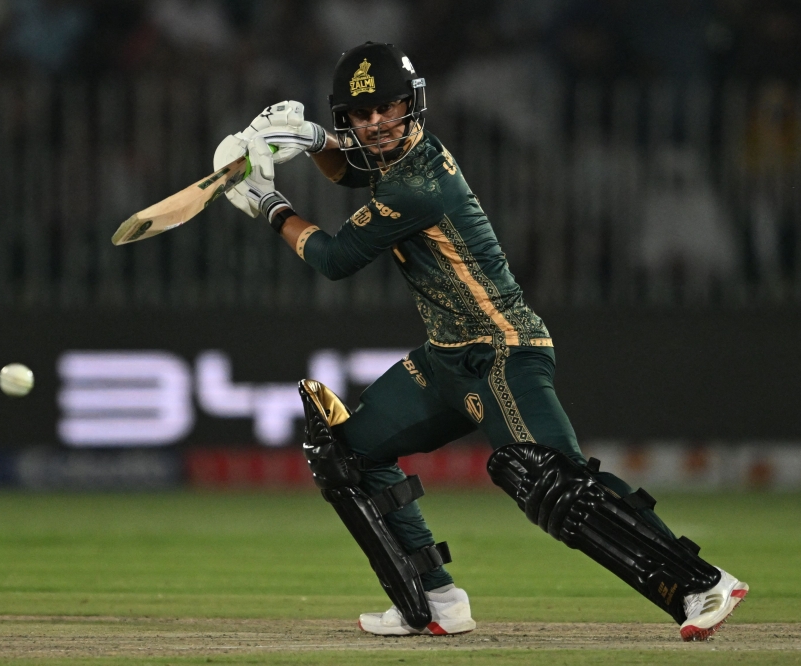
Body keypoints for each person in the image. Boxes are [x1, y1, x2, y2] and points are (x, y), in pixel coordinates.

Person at [213, 42, 748, 640]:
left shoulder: (415, 185)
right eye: (359, 115)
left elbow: (335, 258)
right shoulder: (400, 158)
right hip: (448, 358)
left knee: (547, 477)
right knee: (349, 455)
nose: (374, 124)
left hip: (502, 351)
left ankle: (701, 583)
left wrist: (267, 202)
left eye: (385, 109)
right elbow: (352, 169)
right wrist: (313, 140)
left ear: (410, 106)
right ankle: (434, 600)